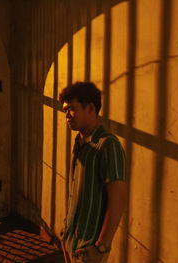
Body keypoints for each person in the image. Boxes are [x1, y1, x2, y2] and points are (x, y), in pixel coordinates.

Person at [59, 82, 127, 263]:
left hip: (88, 248)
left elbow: (117, 201)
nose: (66, 115)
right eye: (65, 110)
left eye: (72, 109)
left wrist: (100, 247)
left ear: (90, 108)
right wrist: (65, 234)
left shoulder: (108, 146)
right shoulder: (80, 144)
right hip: (70, 241)